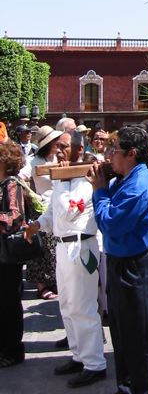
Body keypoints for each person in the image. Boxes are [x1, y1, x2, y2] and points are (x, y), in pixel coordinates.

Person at [25, 130, 106, 387]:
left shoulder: (87, 177)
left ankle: (95, 363)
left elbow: (72, 210)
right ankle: (78, 354)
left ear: (79, 151)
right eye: (57, 147)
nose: (57, 151)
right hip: (62, 248)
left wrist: (59, 180)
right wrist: (37, 224)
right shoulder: (61, 177)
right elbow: (52, 213)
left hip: (81, 248)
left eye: (63, 147)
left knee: (83, 307)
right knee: (67, 306)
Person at [90, 126, 148, 394]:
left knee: (139, 339)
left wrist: (99, 191)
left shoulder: (139, 186)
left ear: (132, 154)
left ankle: (143, 389)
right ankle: (127, 387)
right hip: (120, 263)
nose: (109, 156)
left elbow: (110, 224)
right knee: (121, 335)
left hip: (136, 267)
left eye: (114, 151)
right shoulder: (124, 178)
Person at [0, 140, 28, 368]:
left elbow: (14, 218)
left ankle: (13, 350)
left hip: (7, 254)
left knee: (8, 301)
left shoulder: (11, 184)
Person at [27, 125, 63, 300]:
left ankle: (55, 281)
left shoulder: (59, 158)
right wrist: (34, 196)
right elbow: (20, 178)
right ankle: (42, 285)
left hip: (58, 206)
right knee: (43, 249)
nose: (58, 145)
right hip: (43, 207)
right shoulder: (33, 162)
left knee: (56, 247)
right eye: (55, 142)